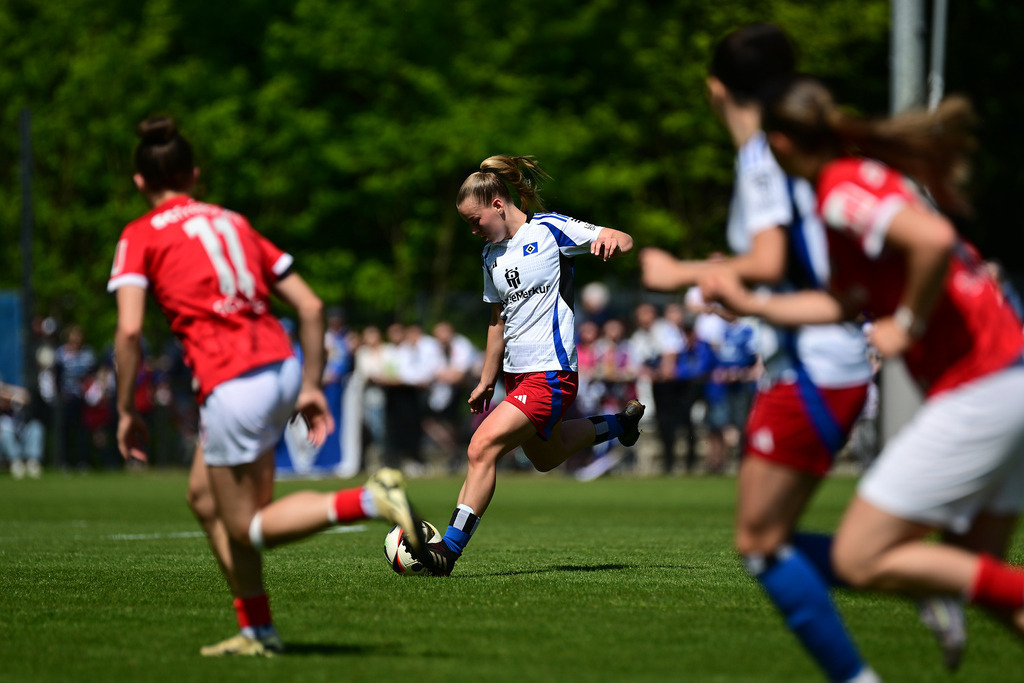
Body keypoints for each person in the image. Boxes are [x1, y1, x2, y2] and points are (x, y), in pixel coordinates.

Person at [702, 74, 1024, 675]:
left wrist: (906, 322)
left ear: (784, 144)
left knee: (861, 557)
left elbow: (932, 238)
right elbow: (844, 303)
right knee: (979, 580)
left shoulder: (837, 190)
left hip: (982, 386)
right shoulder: (854, 182)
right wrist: (754, 305)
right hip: (1009, 377)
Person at [108, 116, 428, 657]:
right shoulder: (233, 221)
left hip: (232, 384)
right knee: (201, 498)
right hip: (280, 367)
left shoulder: (140, 234)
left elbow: (130, 329)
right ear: (195, 174)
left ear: (140, 183)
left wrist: (124, 409)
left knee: (249, 527)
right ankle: (257, 631)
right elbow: (310, 305)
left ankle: (370, 500)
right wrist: (308, 384)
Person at [639, 25, 882, 683]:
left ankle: (922, 592)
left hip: (812, 364)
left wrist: (679, 270)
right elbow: (789, 261)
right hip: (824, 358)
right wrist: (733, 277)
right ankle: (930, 583)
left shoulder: (759, 154)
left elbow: (773, 257)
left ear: (716, 89)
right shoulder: (790, 144)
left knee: (760, 545)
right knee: (766, 542)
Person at [421, 155, 644, 576]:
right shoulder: (490, 254)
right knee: (547, 456)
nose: (473, 231)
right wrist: (488, 380)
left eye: (475, 220)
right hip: (516, 376)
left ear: (499, 205)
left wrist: (613, 240)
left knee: (480, 447)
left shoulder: (549, 230)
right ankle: (620, 426)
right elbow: (497, 319)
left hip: (552, 373)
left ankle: (447, 551)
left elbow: (623, 237)